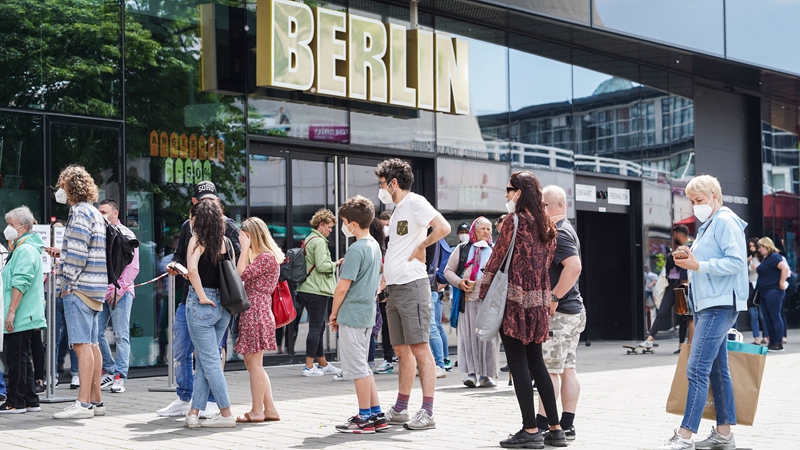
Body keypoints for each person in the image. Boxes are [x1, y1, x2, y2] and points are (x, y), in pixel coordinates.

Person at [660, 174, 748, 450]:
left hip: (718, 305)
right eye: (691, 200)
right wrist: (691, 256)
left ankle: (685, 436)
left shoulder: (724, 220)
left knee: (696, 368)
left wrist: (698, 265)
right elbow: (713, 260)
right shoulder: (713, 222)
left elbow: (735, 262)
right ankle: (724, 434)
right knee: (717, 371)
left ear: (714, 196)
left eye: (698, 200)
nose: (694, 205)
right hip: (710, 304)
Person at [482, 171, 564, 449]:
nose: (506, 195)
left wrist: (484, 292)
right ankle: (555, 429)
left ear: (519, 192)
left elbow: (495, 260)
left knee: (518, 365)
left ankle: (530, 430)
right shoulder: (548, 226)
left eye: (508, 189)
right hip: (538, 303)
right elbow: (546, 264)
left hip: (514, 302)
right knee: (537, 363)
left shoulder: (512, 221)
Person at [375, 158, 451, 430]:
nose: (380, 188)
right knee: (401, 349)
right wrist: (385, 279)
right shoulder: (396, 211)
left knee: (419, 348)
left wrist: (423, 245)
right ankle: (400, 408)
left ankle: (428, 412)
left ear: (393, 183)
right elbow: (396, 249)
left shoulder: (415, 202)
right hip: (395, 287)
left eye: (382, 183)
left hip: (412, 285)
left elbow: (443, 227)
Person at [158, 181, 240, 419]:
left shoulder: (224, 230)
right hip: (209, 301)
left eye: (211, 200)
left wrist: (202, 294)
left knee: (210, 357)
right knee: (189, 352)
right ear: (195, 204)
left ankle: (220, 408)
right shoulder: (190, 229)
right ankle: (192, 405)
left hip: (205, 299)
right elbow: (181, 258)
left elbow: (198, 269)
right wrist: (176, 266)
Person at [49, 165, 109, 419]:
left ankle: (82, 404)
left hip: (80, 287)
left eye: (62, 186)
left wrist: (65, 282)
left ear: (70, 188)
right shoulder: (95, 213)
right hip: (96, 287)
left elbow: (77, 254)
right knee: (92, 344)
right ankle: (95, 400)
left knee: (81, 345)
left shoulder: (78, 213)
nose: (59, 191)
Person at [329, 195, 386, 433]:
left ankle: (364, 417)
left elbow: (342, 287)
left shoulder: (356, 249)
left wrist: (333, 314)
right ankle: (376, 414)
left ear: (352, 223)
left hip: (352, 313)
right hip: (367, 313)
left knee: (358, 368)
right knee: (364, 366)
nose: (343, 227)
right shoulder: (374, 246)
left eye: (344, 222)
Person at [537, 185, 586, 442]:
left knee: (551, 370)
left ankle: (544, 423)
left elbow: (574, 267)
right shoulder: (569, 229)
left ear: (545, 206)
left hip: (561, 313)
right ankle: (567, 424)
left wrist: (554, 297)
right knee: (567, 368)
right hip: (572, 311)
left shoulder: (559, 233)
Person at [183, 200, 235, 428]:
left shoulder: (197, 240)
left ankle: (226, 414)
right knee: (206, 362)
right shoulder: (226, 243)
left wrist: (201, 295)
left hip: (203, 305)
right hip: (224, 306)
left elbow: (192, 269)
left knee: (210, 361)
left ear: (197, 219)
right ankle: (194, 412)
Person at [234, 217, 281, 423]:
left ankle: (257, 411)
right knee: (253, 363)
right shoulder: (266, 257)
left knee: (255, 364)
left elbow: (240, 275)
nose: (241, 240)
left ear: (252, 235)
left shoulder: (265, 258)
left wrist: (244, 250)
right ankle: (269, 409)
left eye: (244, 236)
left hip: (257, 311)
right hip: (256, 311)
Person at [444, 217, 499, 388]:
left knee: (488, 339)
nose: (486, 232)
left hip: (489, 303)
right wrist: (460, 283)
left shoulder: (495, 249)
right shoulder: (463, 249)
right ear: (474, 230)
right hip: (467, 301)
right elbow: (448, 271)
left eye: (488, 229)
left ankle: (486, 375)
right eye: (482, 228)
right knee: (469, 337)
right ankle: (471, 374)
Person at [0, 206, 46, 413]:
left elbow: (21, 282)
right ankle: (29, 399)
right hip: (26, 312)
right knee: (22, 357)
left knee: (16, 358)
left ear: (24, 227)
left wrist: (11, 312)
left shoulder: (25, 249)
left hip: (21, 313)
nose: (7, 228)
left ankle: (15, 401)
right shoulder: (21, 247)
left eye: (11, 224)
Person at [96, 199, 140, 394]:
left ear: (115, 213)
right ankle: (111, 368)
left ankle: (120, 376)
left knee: (121, 335)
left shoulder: (126, 234)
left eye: (104, 212)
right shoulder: (100, 234)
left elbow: (133, 267)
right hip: (101, 291)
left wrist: (118, 289)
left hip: (120, 292)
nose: (101, 215)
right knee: (96, 333)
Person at [296, 209, 344, 377]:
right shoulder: (319, 242)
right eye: (329, 227)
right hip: (316, 289)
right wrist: (336, 263)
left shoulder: (309, 239)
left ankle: (322, 363)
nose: (331, 230)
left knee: (319, 326)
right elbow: (322, 266)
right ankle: (309, 366)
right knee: (316, 327)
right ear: (321, 225)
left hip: (306, 288)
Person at [641, 225, 693, 352]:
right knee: (662, 311)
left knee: (684, 317)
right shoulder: (678, 249)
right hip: (671, 284)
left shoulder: (691, 248)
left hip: (683, 284)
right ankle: (650, 340)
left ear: (679, 235)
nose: (673, 238)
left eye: (674, 235)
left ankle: (682, 346)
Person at [755, 236, 788, 352]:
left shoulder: (774, 257)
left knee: (774, 316)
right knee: (768, 318)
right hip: (765, 291)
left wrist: (781, 283)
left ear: (766, 246)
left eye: (760, 247)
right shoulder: (767, 258)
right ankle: (772, 342)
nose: (759, 250)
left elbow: (785, 268)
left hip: (773, 291)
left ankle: (777, 343)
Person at [375, 213, 396, 375]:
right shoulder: (377, 244)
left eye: (388, 225)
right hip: (382, 290)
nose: (386, 229)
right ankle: (388, 358)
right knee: (387, 326)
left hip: (396, 288)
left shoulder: (396, 243)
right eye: (383, 226)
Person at [746, 238, 767, 345]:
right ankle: (756, 338)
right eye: (750, 246)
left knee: (762, 315)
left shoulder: (763, 259)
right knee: (753, 314)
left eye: (754, 246)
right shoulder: (749, 258)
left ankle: (766, 336)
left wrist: (757, 267)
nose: (752, 248)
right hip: (751, 287)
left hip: (760, 287)